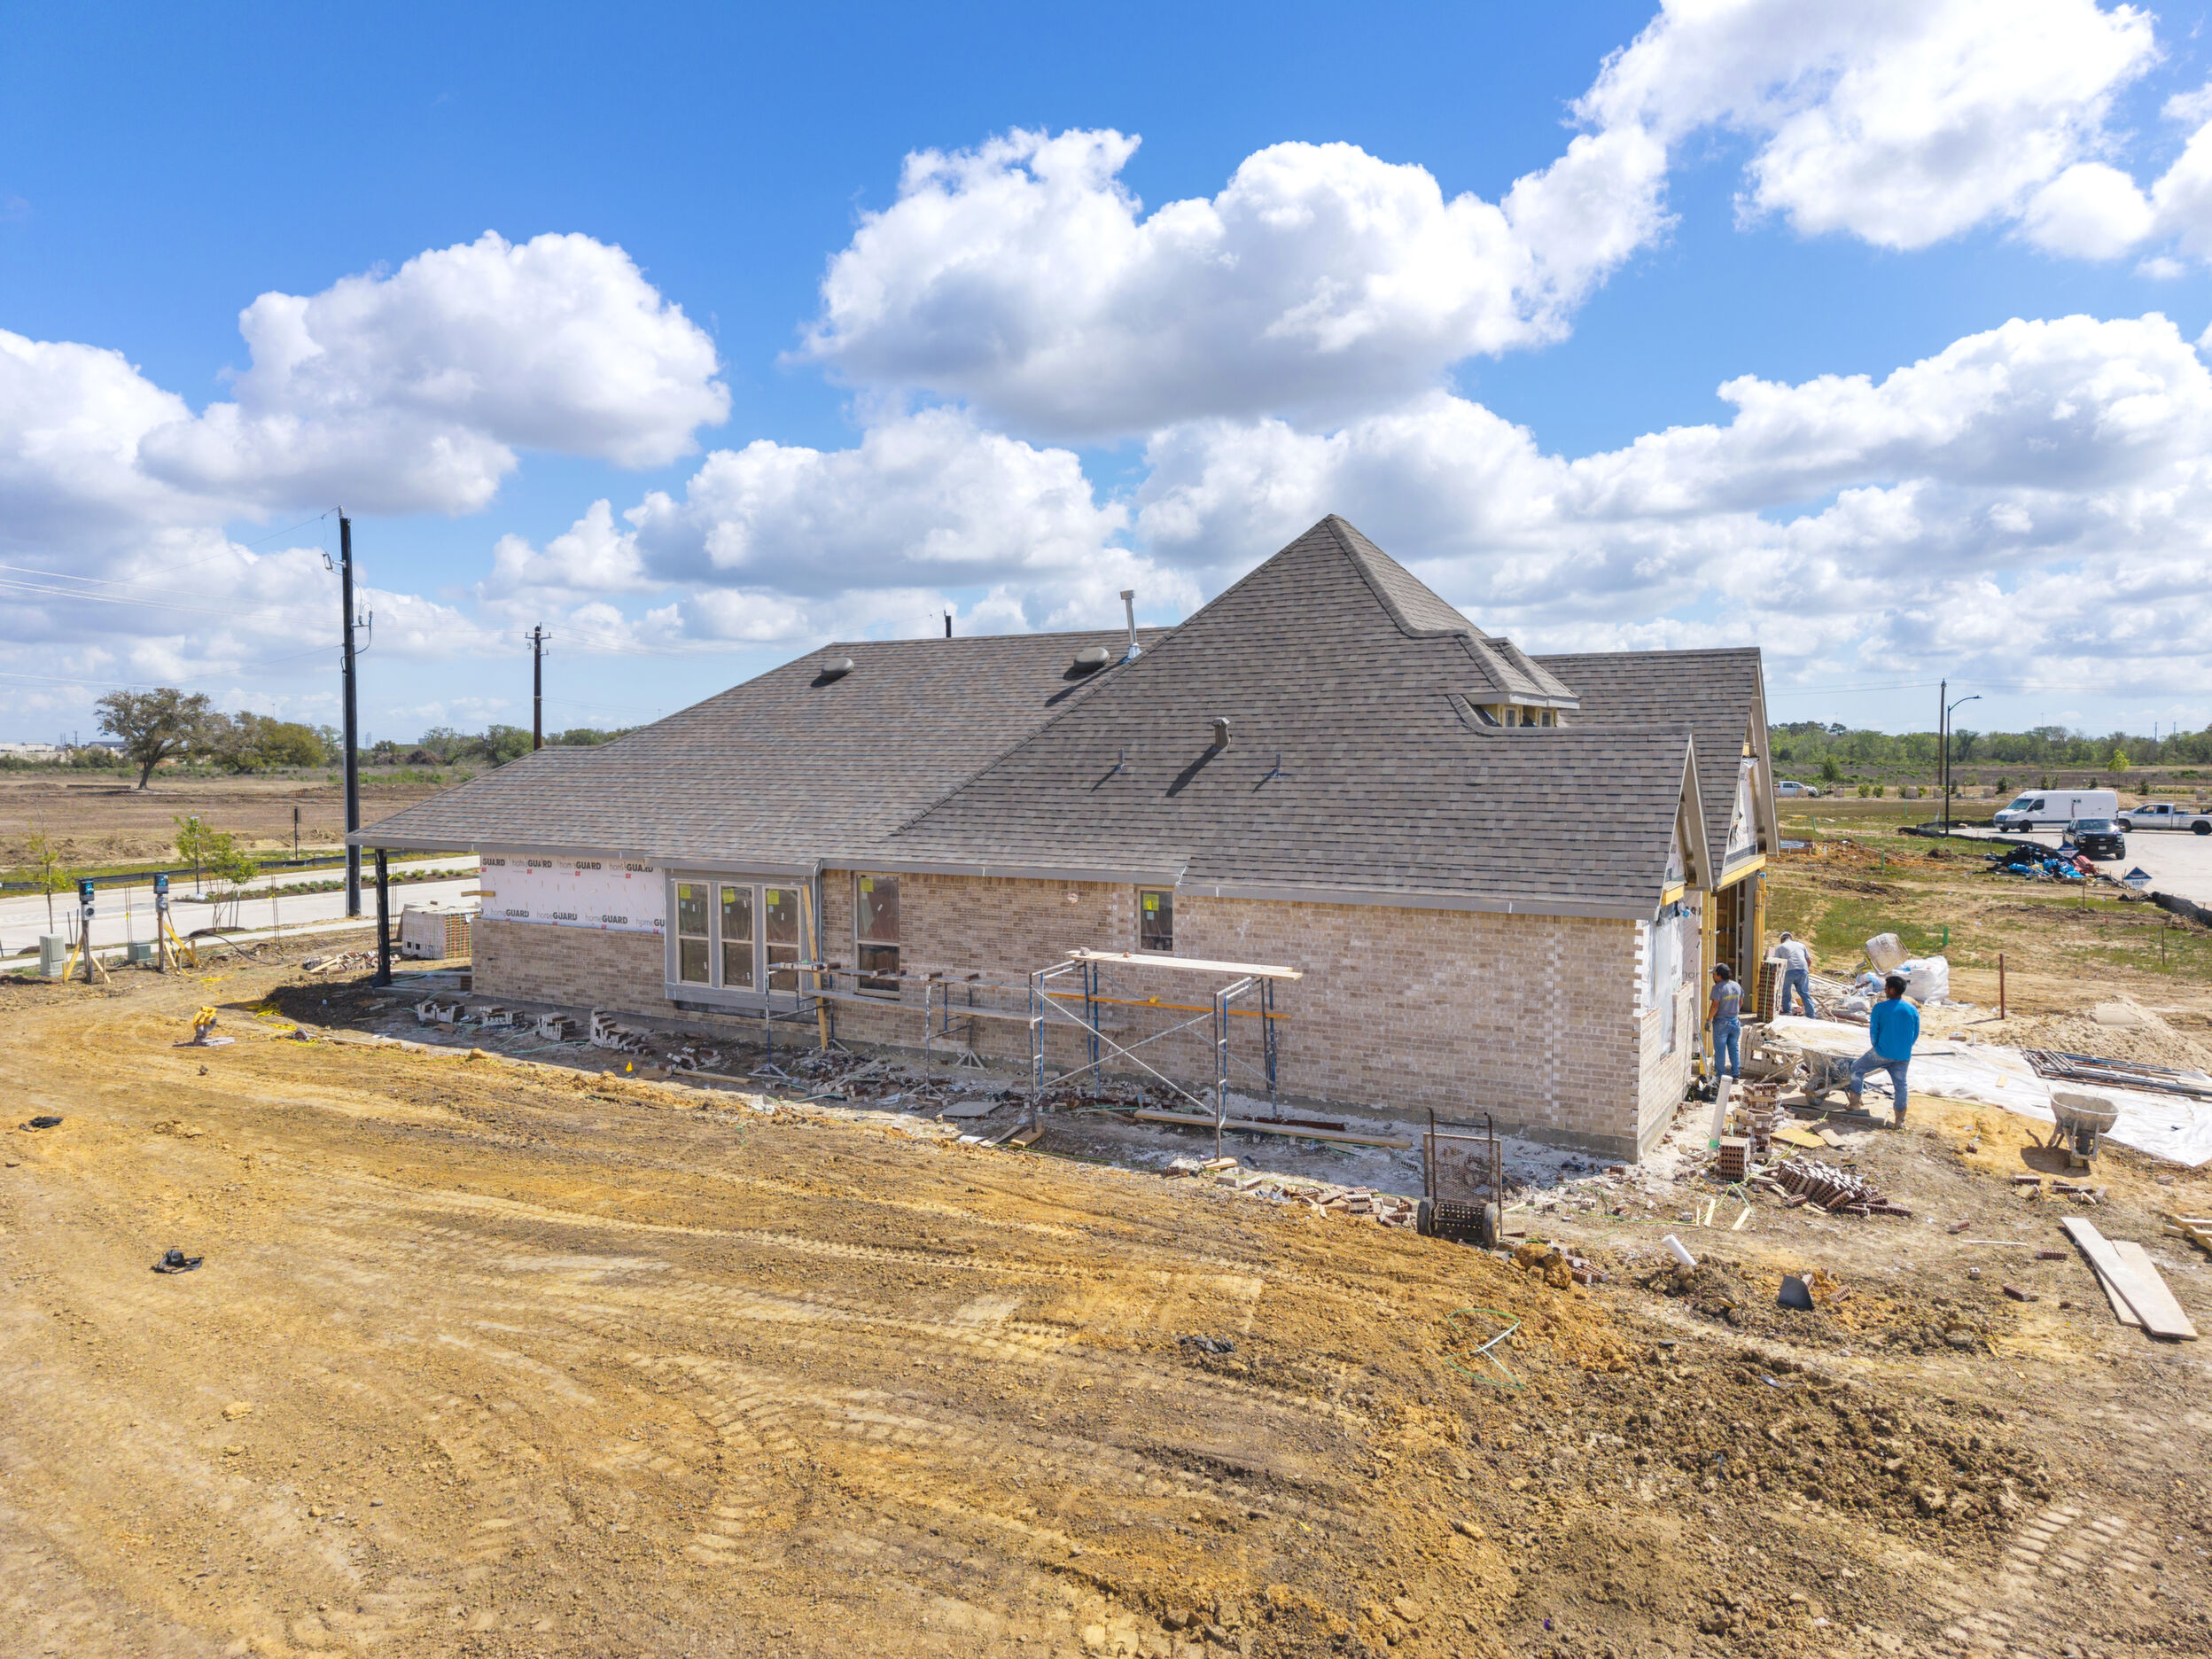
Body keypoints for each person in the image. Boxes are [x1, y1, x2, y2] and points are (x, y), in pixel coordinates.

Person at [1847, 974, 1920, 1127]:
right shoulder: (1912, 1009)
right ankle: (1899, 1121)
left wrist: (1877, 1047)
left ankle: (1854, 1104)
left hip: (1881, 1053)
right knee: (1901, 1086)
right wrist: (1904, 1047)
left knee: (1856, 1068)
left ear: (1892, 990)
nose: (1885, 990)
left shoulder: (1880, 1008)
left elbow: (1874, 1032)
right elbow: (1915, 1033)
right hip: (1903, 1056)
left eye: (1886, 987)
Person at [1707, 962, 1743, 1080]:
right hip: (1735, 1022)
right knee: (1733, 1048)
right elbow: (1740, 1002)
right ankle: (1736, 1074)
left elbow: (1715, 1005)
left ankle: (1721, 1076)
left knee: (1720, 1050)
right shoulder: (1736, 985)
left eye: (1714, 974)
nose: (1713, 976)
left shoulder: (1718, 988)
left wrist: (1709, 1020)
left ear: (1719, 976)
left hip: (1721, 1024)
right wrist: (1733, 1012)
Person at [1775, 930, 1814, 1017]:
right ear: (1791, 938)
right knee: (1804, 993)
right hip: (1803, 970)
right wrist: (1804, 971)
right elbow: (1809, 961)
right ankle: (1811, 1015)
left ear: (1782, 940)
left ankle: (1787, 1012)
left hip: (1789, 971)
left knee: (1786, 993)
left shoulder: (1780, 947)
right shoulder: (1801, 945)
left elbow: (1776, 962)